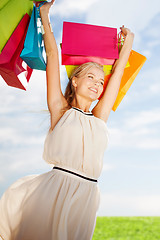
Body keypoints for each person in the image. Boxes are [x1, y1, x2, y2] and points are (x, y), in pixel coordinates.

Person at [0, 0, 134, 239]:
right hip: (57, 190)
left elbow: (120, 71)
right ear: (74, 81)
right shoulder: (60, 109)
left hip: (88, 195)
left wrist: (128, 43)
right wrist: (44, 14)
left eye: (100, 81)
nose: (97, 84)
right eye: (91, 77)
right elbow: (52, 54)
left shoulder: (99, 118)